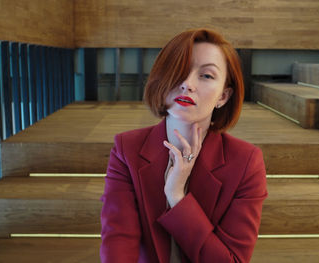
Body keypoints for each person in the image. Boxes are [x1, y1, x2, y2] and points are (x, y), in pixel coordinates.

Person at [100, 28, 268, 263]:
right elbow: (118, 245)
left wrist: (177, 196)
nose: (187, 84)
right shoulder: (126, 150)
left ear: (223, 96)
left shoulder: (246, 162)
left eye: (206, 76)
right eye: (179, 70)